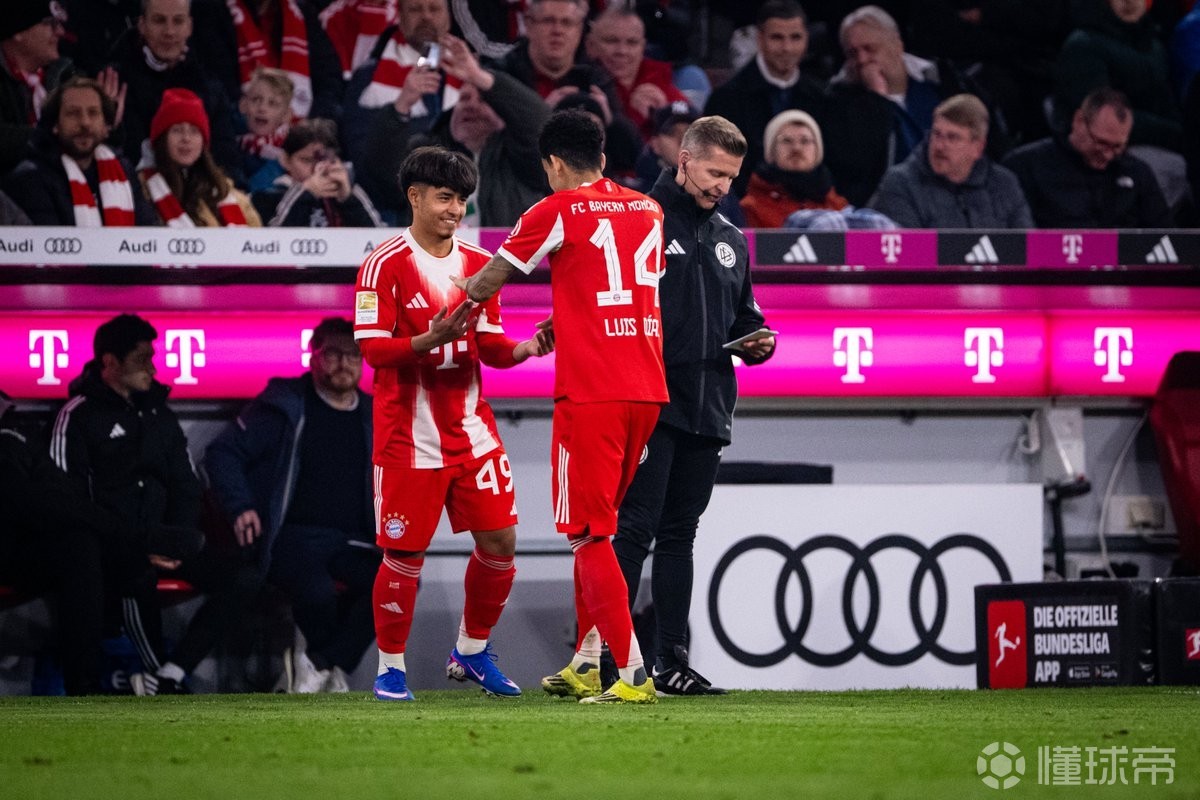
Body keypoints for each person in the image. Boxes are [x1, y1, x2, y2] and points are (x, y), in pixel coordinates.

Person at [459, 110, 668, 705]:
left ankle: (632, 675)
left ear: (553, 163)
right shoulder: (649, 209)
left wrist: (451, 299)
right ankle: (586, 660)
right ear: (601, 158)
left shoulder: (555, 208)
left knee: (586, 534)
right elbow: (628, 288)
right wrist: (573, 314)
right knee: (599, 528)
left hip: (592, 393)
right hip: (646, 388)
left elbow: (486, 281)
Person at [353, 146, 553, 702]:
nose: (456, 210)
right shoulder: (383, 264)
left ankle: (470, 650)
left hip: (471, 430)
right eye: (445, 198)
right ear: (415, 197)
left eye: (462, 200)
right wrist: (429, 340)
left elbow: (490, 344)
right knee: (404, 554)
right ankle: (391, 669)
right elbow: (372, 350)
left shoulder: (480, 263)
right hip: (408, 437)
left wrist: (526, 348)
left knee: (502, 540)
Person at [606, 116, 775, 696]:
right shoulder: (639, 222)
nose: (722, 186)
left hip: (709, 408)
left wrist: (759, 341)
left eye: (731, 176)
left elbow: (746, 315)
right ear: (684, 160)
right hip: (650, 403)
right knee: (634, 530)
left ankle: (671, 662)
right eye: (714, 173)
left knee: (680, 535)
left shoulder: (732, 238)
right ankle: (609, 661)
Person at [50, 314, 260, 695]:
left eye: (152, 357)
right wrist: (138, 543)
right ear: (110, 363)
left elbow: (185, 483)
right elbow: (70, 501)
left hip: (166, 538)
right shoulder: (78, 415)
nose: (152, 368)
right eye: (141, 359)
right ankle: (155, 676)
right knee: (135, 573)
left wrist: (175, 539)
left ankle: (172, 672)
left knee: (244, 576)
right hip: (112, 544)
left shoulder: (158, 414)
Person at [205, 317, 379, 694]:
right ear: (313, 356)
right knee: (317, 592)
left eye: (354, 355)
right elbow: (222, 453)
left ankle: (320, 662)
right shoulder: (285, 405)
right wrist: (240, 506)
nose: (344, 363)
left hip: (354, 540)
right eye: (333, 354)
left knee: (397, 583)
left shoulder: (375, 413)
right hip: (291, 537)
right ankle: (326, 669)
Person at [358, 33, 548, 227]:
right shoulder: (426, 154)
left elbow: (541, 124)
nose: (471, 106)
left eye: (483, 100)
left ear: (505, 113)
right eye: (464, 98)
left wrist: (478, 77)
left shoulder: (522, 159)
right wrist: (402, 104)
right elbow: (380, 174)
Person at [0, 390, 107, 695]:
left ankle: (84, 691)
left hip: (16, 547)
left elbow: (54, 494)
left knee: (81, 547)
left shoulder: (16, 437)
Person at [109, 0, 244, 186]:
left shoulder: (209, 87)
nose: (169, 31)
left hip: (202, 193)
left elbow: (227, 161)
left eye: (178, 21)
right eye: (159, 20)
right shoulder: (116, 82)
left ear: (189, 26)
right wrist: (110, 130)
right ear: (142, 25)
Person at [703, 0, 825, 198]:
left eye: (795, 37)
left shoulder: (821, 98)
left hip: (810, 202)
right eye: (777, 38)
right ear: (759, 39)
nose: (787, 47)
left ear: (807, 39)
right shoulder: (726, 100)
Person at [1004, 87, 1171, 227]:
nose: (1108, 155)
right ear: (1079, 121)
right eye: (1101, 143)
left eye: (1117, 146)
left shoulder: (1137, 172)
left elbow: (1166, 237)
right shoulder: (1026, 166)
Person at [2, 77, 157, 226]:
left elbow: (146, 235)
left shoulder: (124, 171)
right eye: (73, 113)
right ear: (55, 125)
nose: (85, 122)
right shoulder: (31, 178)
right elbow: (47, 242)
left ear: (106, 128)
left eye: (93, 113)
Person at [868, 94, 1031, 229]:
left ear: (978, 148)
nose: (939, 146)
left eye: (953, 137)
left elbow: (1027, 249)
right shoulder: (901, 183)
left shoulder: (1004, 185)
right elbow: (909, 252)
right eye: (936, 134)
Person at [138, 88, 262, 227]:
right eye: (177, 130)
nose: (186, 138)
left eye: (194, 131)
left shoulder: (224, 191)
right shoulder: (142, 189)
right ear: (162, 139)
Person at [251, 117, 383, 226]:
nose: (316, 169)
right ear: (285, 160)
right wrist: (305, 194)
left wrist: (348, 199)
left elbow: (378, 241)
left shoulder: (351, 193)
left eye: (325, 160)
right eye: (307, 160)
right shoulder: (268, 197)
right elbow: (273, 242)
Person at [585, 6, 692, 141]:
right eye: (612, 41)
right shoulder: (582, 87)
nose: (622, 51)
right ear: (591, 46)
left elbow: (698, 139)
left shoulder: (660, 83)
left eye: (632, 43)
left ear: (643, 47)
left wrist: (665, 117)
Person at [740, 108, 849, 228]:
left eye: (805, 141)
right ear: (771, 149)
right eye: (786, 141)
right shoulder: (750, 209)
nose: (796, 148)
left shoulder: (839, 207)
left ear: (817, 150)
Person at [0, 0, 71, 176]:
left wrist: (108, 123)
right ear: (18, 31)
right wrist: (54, 137)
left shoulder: (66, 75)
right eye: (50, 24)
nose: (60, 32)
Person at [236, 67, 294, 192]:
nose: (262, 108)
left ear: (286, 115)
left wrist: (279, 164)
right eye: (256, 100)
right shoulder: (232, 145)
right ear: (243, 105)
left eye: (273, 103)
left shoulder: (293, 152)